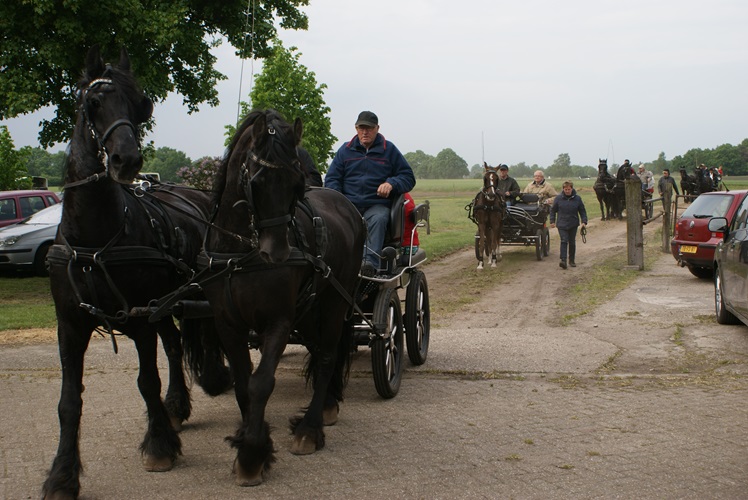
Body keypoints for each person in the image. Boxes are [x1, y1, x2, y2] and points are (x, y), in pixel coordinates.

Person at [325, 111, 416, 275]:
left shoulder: (390, 150)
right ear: (356, 128)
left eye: (369, 128)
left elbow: (408, 177)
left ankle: (369, 266)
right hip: (349, 204)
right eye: (361, 128)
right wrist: (338, 200)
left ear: (377, 128)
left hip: (377, 204)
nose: (365, 132)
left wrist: (391, 183)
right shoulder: (344, 151)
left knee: (378, 219)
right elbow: (332, 179)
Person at [550, 180, 588, 270]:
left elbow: (582, 211)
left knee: (572, 242)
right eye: (565, 189)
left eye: (569, 189)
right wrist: (552, 221)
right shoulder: (558, 198)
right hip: (562, 224)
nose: (567, 191)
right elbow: (553, 210)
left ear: (572, 189)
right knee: (564, 240)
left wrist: (584, 221)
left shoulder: (577, 199)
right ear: (563, 189)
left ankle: (572, 260)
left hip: (573, 223)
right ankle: (563, 260)